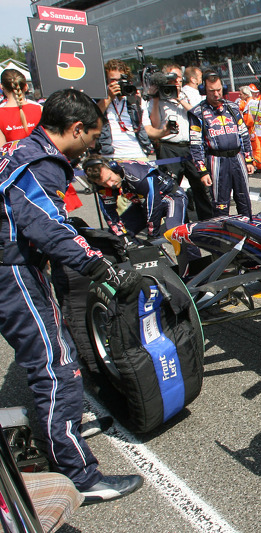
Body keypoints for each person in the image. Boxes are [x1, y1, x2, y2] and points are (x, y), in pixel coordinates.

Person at [0, 88, 144, 503]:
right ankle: (77, 473)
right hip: (10, 271)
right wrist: (101, 266)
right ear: (76, 128)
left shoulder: (22, 148)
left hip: (20, 263)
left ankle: (63, 425)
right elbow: (47, 226)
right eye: (91, 137)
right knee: (53, 365)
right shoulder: (38, 163)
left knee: (58, 347)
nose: (91, 147)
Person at [149, 64, 213, 220]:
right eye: (171, 78)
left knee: (201, 185)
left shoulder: (188, 93)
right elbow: (154, 124)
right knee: (172, 189)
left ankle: (208, 221)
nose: (176, 81)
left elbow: (200, 115)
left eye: (178, 77)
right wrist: (156, 99)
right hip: (169, 148)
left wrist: (180, 98)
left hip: (192, 147)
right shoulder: (158, 97)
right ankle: (180, 223)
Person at [188, 71, 255, 217]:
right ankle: (223, 236)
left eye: (219, 90)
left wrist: (249, 159)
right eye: (212, 91)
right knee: (221, 204)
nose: (216, 94)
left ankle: (248, 232)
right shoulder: (197, 113)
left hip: (238, 158)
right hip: (216, 161)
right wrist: (202, 171)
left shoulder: (233, 108)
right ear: (204, 90)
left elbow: (244, 134)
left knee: (244, 201)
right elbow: (195, 144)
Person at [97, 59, 161, 161]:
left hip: (137, 155)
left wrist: (165, 131)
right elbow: (92, 119)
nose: (117, 83)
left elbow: (147, 129)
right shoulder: (100, 100)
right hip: (111, 157)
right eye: (112, 80)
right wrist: (109, 98)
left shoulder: (136, 99)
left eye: (120, 80)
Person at [0, 69, 42, 144]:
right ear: (26, 87)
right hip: (40, 155)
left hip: (13, 155)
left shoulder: (1, 114)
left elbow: (2, 149)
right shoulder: (40, 109)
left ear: (2, 87)